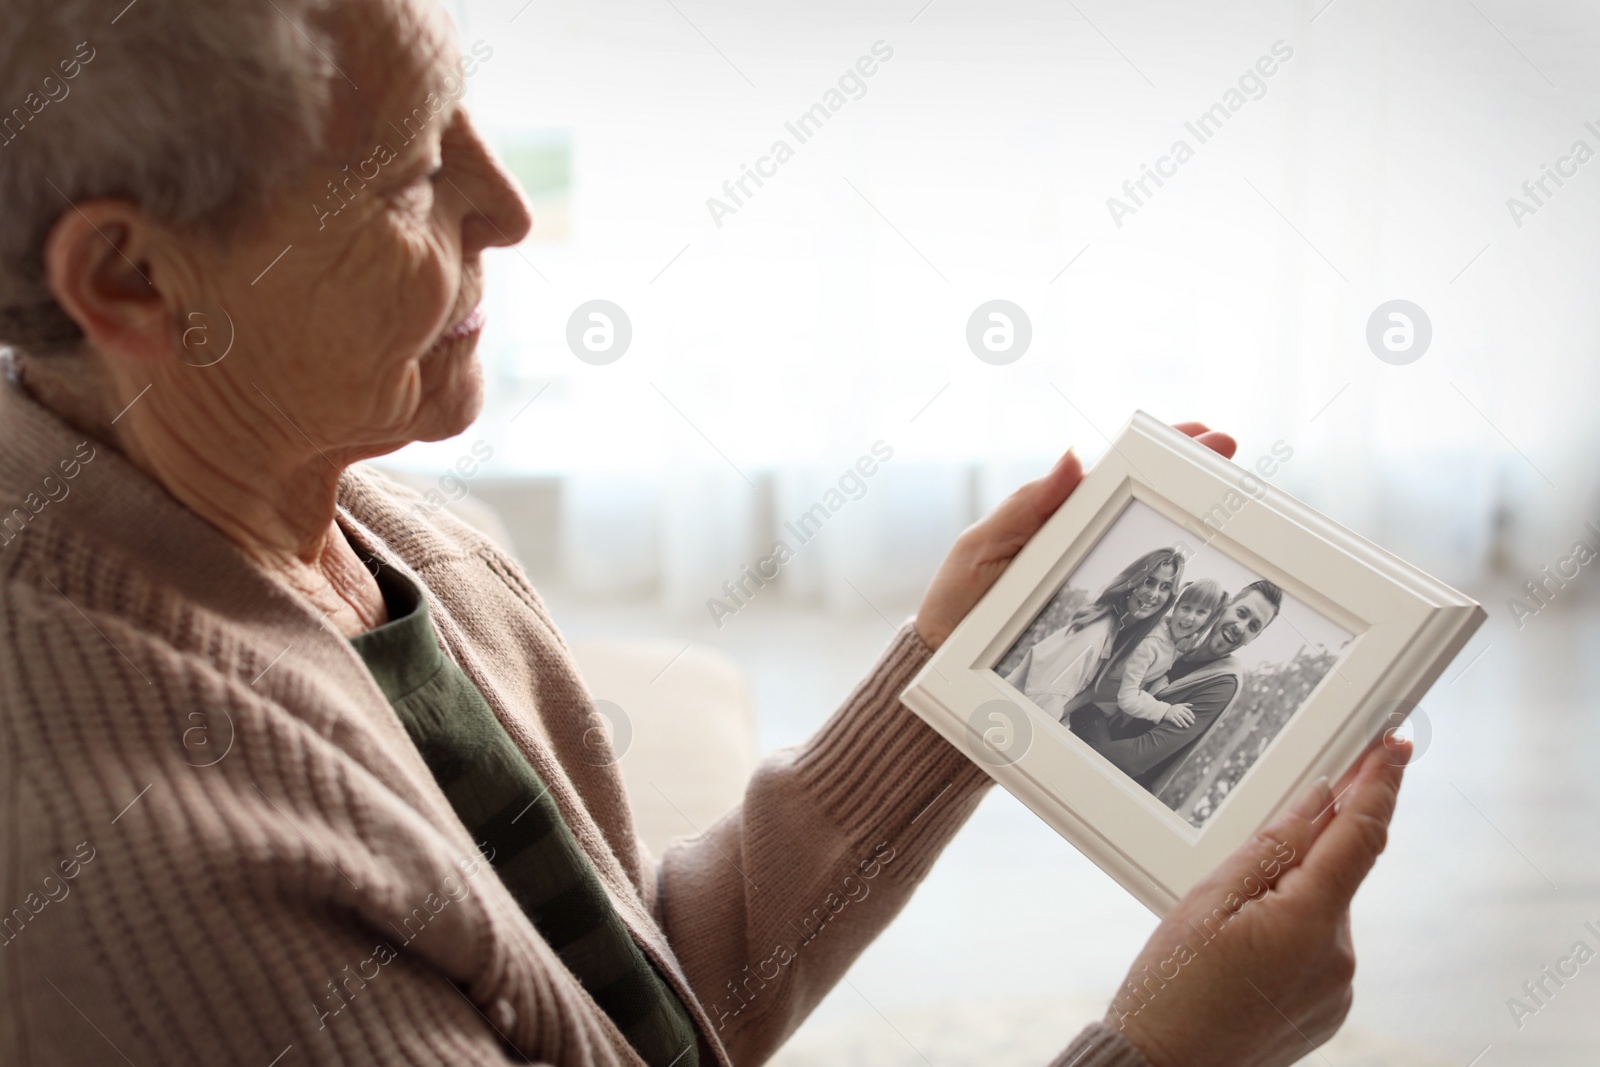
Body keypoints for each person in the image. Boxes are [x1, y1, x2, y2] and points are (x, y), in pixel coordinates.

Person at [0, 2, 1411, 1065]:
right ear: (132, 278)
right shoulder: (152, 863)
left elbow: (621, 999)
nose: (508, 205)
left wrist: (949, 681)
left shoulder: (367, 518)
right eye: (410, 172)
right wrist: (1168, 1051)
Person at [1076, 581, 1281, 791]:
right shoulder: (1174, 642)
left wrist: (1074, 752)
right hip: (1093, 739)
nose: (1240, 627)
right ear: (1225, 607)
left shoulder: (1222, 684)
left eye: (1253, 626)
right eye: (1241, 613)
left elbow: (1136, 759)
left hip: (1114, 786)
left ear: (1254, 638)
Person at [1003, 548, 1182, 722]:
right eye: (1149, 581)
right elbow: (1037, 715)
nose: (1153, 594)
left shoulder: (1124, 635)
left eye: (1165, 587)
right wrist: (1090, 695)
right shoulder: (1093, 636)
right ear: (1132, 581)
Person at [1102, 576, 1225, 730]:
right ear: (1176, 607)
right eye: (1186, 608)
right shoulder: (1151, 644)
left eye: (1201, 612)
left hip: (1117, 714)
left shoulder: (1186, 642)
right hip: (1099, 708)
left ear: (1207, 619)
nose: (1190, 617)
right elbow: (1127, 698)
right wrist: (1165, 710)